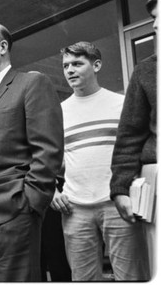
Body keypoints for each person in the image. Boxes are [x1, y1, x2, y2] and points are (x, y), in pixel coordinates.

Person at [0, 22, 63, 281]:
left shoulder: (31, 83)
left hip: (14, 210)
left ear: (3, 46)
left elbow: (48, 149)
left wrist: (30, 203)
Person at [51, 41, 149, 280]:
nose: (70, 70)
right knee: (83, 279)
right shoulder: (58, 111)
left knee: (131, 277)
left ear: (96, 65)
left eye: (77, 63)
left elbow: (137, 148)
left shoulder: (122, 103)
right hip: (74, 208)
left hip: (117, 203)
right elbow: (49, 157)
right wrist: (52, 190)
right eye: (65, 66)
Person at [110, 0, 157, 277]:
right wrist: (120, 188)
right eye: (154, 18)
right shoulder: (147, 71)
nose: (155, 26)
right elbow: (129, 134)